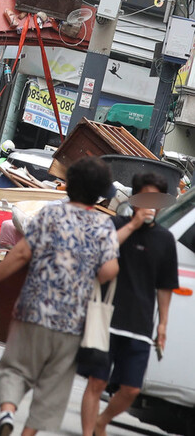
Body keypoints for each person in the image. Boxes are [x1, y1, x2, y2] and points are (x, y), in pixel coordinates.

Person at [0, 157, 120, 436]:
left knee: (15, 369)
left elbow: (21, 253)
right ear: (99, 194)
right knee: (53, 387)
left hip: (33, 312)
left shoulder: (50, 215)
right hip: (72, 323)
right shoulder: (104, 228)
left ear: (69, 187)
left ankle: (7, 412)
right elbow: (109, 271)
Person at [80, 172, 179, 436]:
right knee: (96, 381)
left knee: (132, 388)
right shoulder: (115, 224)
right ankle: (89, 432)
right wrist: (133, 225)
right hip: (106, 317)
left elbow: (166, 285)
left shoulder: (165, 239)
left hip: (140, 323)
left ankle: (102, 422)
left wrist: (164, 325)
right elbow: (102, 253)